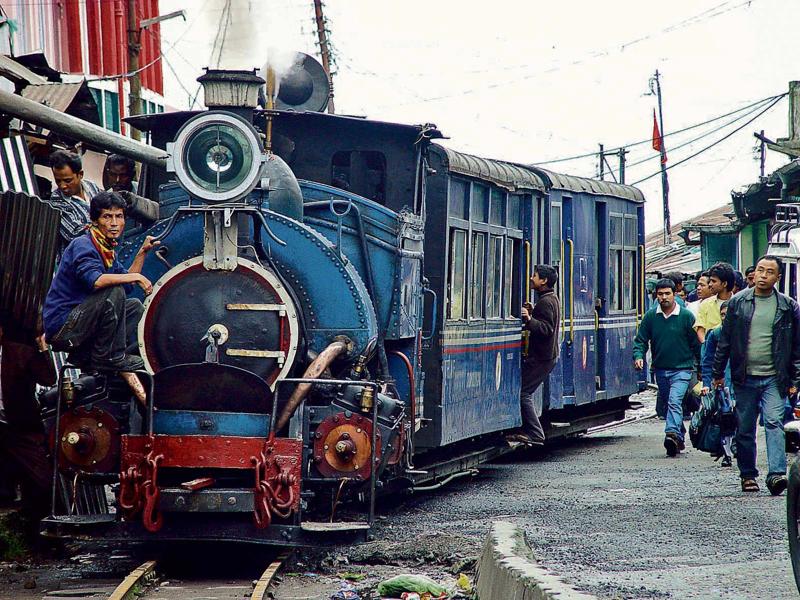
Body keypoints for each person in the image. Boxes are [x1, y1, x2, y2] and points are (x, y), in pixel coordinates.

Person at [713, 255, 800, 495]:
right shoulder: (738, 302)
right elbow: (725, 340)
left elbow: (796, 347)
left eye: (769, 272)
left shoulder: (788, 306)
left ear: (778, 277)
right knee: (745, 427)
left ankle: (776, 475)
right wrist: (717, 373)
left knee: (774, 422)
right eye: (760, 270)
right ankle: (748, 474)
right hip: (744, 376)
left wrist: (795, 379)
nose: (763, 275)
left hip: (775, 377)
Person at [43, 192, 158, 372]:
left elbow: (127, 284)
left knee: (134, 306)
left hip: (82, 320)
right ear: (95, 220)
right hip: (64, 326)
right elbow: (96, 281)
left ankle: (88, 354)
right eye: (107, 217)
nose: (114, 223)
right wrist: (137, 277)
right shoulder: (83, 245)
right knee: (114, 291)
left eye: (119, 216)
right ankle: (109, 357)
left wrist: (142, 252)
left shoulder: (106, 248)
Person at [633, 278, 701, 457]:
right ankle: (679, 435)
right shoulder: (651, 316)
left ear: (674, 294)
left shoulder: (686, 316)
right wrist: (638, 356)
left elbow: (696, 344)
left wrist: (702, 368)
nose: (664, 297)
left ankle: (671, 433)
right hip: (660, 369)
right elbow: (641, 340)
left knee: (674, 401)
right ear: (656, 296)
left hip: (683, 369)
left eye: (667, 294)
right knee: (669, 402)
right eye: (660, 294)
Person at [0, 323, 56, 519]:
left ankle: (44, 520)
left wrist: (43, 349)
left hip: (20, 427)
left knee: (42, 479)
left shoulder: (20, 353)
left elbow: (49, 378)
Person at [507, 264, 561, 446]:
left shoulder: (545, 302)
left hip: (542, 357)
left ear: (543, 281)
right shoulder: (551, 298)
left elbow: (546, 329)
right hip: (547, 356)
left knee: (524, 393)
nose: (531, 278)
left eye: (535, 276)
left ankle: (535, 434)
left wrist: (529, 319)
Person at [48, 150, 102, 254]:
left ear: (80, 174)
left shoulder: (92, 187)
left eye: (68, 180)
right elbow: (75, 233)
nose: (63, 186)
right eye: (58, 181)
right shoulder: (56, 202)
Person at [701, 301, 734, 467]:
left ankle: (737, 445)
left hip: (741, 383)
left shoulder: (745, 333)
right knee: (725, 418)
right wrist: (707, 383)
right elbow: (707, 361)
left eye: (728, 314)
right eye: (722, 314)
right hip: (722, 384)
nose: (725, 318)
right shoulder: (715, 334)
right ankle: (727, 452)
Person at [694, 262, 735, 343]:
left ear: (724, 284)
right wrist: (707, 345)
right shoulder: (705, 304)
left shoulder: (739, 303)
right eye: (710, 281)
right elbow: (700, 330)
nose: (710, 284)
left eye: (713, 281)